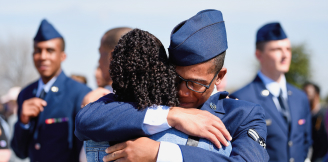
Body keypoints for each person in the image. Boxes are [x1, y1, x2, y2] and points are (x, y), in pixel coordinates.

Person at [76, 9, 269, 162]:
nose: (183, 92)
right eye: (176, 78)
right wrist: (171, 115)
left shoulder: (243, 115)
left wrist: (160, 153)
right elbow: (86, 119)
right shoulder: (154, 100)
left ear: (219, 76)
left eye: (196, 84)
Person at [10, 19, 91, 162]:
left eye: (50, 50)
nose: (43, 57)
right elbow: (20, 152)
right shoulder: (26, 93)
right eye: (37, 51)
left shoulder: (80, 93)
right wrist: (23, 122)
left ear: (62, 56)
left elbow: (85, 151)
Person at [231, 22, 312, 162]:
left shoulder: (300, 97)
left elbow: (306, 142)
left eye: (288, 48)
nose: (285, 55)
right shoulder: (242, 98)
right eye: (277, 49)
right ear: (259, 55)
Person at [81, 27, 132, 106]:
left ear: (112, 57)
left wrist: (88, 109)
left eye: (101, 53)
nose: (99, 61)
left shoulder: (102, 98)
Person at [303, 82, 328, 162]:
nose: (305, 97)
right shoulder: (303, 116)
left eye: (308, 93)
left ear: (317, 95)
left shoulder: (324, 115)